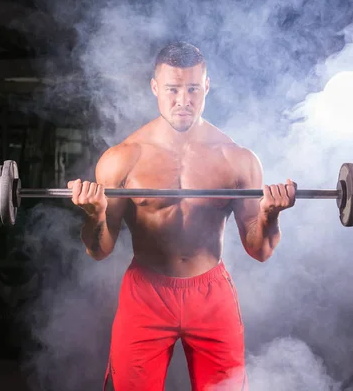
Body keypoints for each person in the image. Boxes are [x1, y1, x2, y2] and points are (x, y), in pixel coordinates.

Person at [67, 41, 296, 391]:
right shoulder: (122, 158)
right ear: (155, 87)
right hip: (146, 293)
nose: (182, 101)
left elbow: (259, 250)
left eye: (192, 89)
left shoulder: (237, 158)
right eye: (172, 89)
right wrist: (95, 216)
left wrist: (270, 216)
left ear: (207, 86)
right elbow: (99, 250)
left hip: (211, 292)